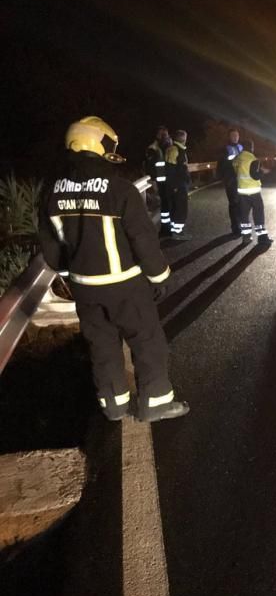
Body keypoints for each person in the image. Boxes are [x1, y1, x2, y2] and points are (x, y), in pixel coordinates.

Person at [37, 116, 189, 422]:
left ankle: (114, 405)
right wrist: (159, 276)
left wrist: (70, 275)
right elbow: (143, 239)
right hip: (125, 286)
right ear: (97, 144)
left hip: (84, 288)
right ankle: (156, 402)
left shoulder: (51, 191)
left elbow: (51, 246)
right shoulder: (120, 191)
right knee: (147, 340)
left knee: (101, 344)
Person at [233, 139, 273, 247]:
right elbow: (255, 175)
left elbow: (235, 171)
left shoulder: (237, 158)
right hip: (254, 192)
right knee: (258, 214)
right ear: (252, 148)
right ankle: (262, 238)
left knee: (244, 215)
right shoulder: (253, 159)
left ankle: (246, 237)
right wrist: (262, 172)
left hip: (241, 191)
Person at [144, 126, 171, 236]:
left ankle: (168, 228)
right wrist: (153, 181)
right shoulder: (153, 149)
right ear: (157, 136)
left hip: (169, 181)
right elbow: (150, 167)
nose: (164, 136)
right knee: (162, 207)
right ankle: (162, 230)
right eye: (162, 134)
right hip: (159, 182)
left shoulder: (170, 146)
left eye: (166, 134)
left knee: (169, 206)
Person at [165, 129, 191, 240]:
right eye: (184, 137)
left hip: (179, 184)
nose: (185, 139)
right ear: (182, 138)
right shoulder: (175, 150)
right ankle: (177, 233)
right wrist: (175, 186)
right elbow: (170, 170)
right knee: (180, 208)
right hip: (178, 185)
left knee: (178, 207)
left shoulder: (178, 149)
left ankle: (176, 231)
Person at [219, 128, 243, 236]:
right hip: (231, 180)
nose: (235, 137)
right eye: (233, 135)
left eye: (237, 135)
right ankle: (236, 228)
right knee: (233, 204)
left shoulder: (241, 147)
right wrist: (225, 178)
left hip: (241, 179)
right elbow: (221, 165)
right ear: (229, 136)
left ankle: (242, 225)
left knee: (242, 204)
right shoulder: (225, 149)